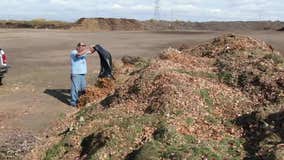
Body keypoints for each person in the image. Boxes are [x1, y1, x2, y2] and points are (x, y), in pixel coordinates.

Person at [70, 42, 93, 107]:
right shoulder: (74, 52)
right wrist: (88, 48)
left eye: (84, 46)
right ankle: (73, 102)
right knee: (75, 88)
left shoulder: (83, 52)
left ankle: (82, 100)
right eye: (82, 45)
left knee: (83, 88)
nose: (83, 47)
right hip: (76, 74)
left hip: (82, 73)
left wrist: (95, 47)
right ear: (78, 46)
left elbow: (91, 52)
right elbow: (78, 55)